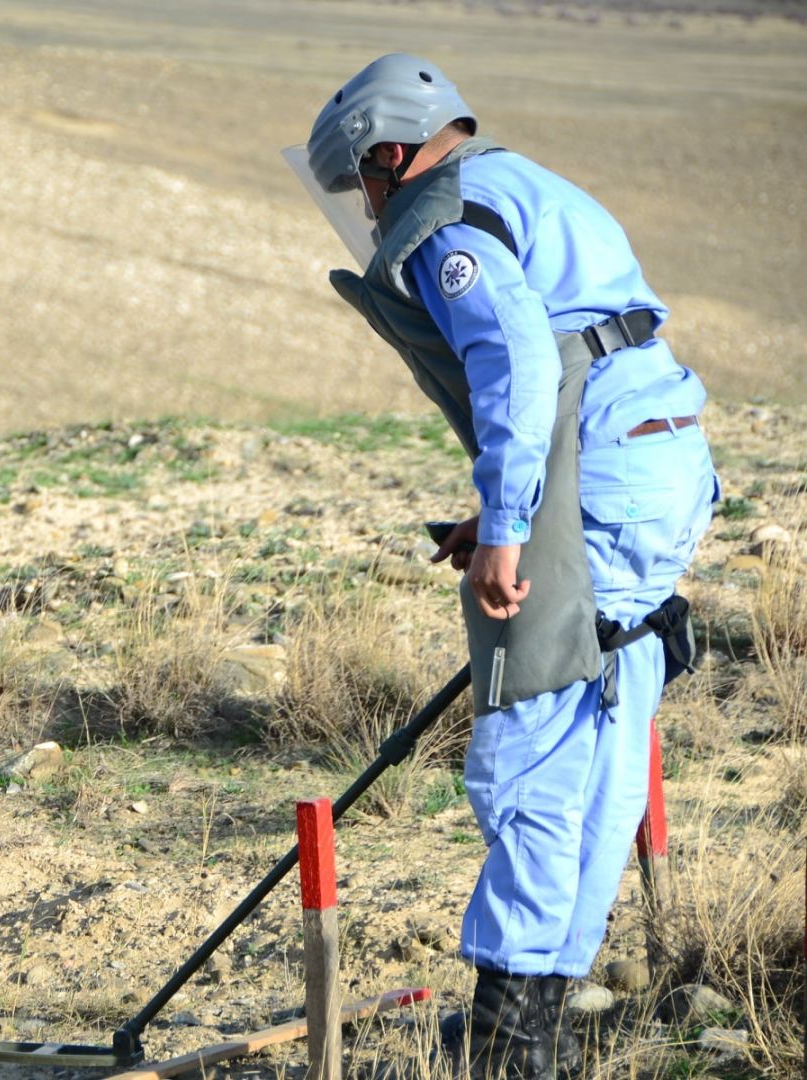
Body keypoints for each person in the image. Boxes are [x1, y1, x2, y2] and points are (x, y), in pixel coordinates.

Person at [284, 55, 718, 1079]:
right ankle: (548, 1012)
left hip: (598, 473)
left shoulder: (445, 225)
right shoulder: (517, 183)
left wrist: (511, 526)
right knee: (607, 700)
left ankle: (510, 1036)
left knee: (532, 730)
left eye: (365, 184)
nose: (370, 204)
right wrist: (501, 512)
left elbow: (519, 362)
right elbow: (576, 349)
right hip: (658, 458)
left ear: (390, 154)